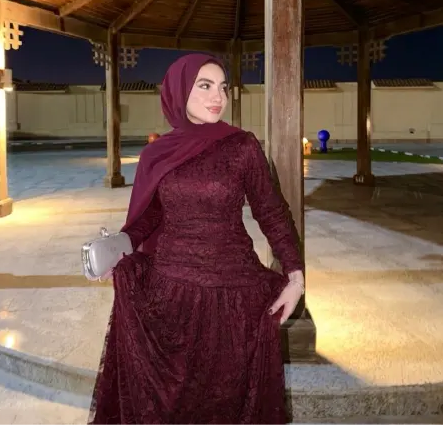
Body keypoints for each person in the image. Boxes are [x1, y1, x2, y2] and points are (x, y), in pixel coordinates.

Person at [88, 53, 304, 425]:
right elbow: (149, 218)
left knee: (227, 402)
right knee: (171, 406)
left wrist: (296, 276)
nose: (217, 97)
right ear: (179, 90)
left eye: (223, 87)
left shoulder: (242, 146)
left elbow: (271, 212)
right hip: (171, 295)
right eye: (204, 86)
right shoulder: (157, 154)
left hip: (233, 297)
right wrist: (119, 248)